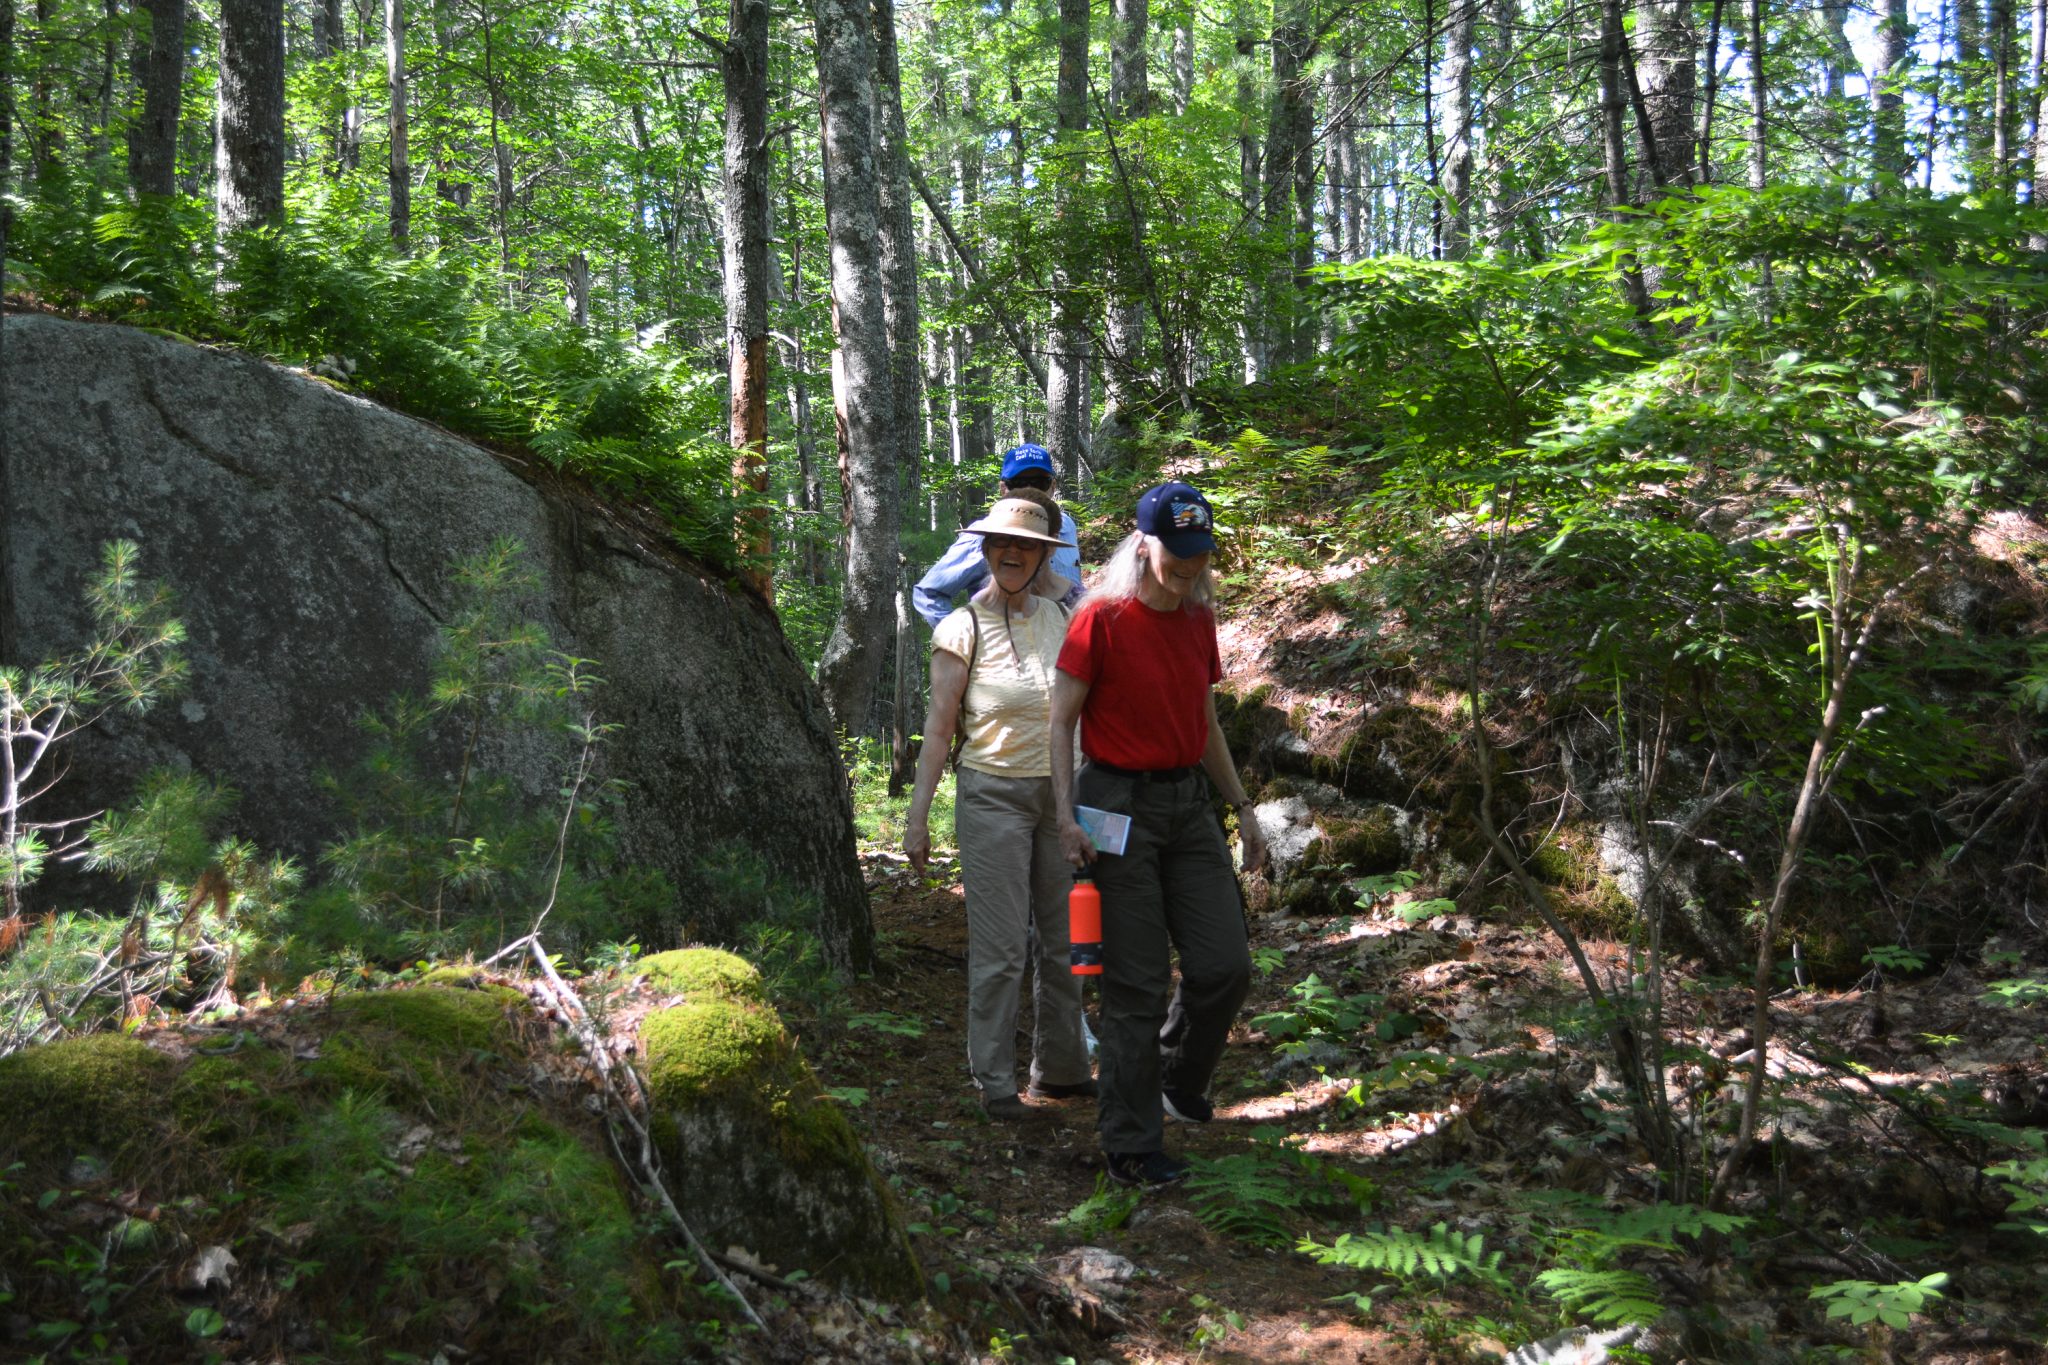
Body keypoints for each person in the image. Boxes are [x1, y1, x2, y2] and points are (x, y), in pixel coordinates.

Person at [1049, 480, 1269, 1186]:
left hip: (1187, 801)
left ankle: (1178, 1077)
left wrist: (1242, 806)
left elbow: (1202, 721)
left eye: (1198, 554)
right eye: (1176, 554)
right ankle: (1131, 1144)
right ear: (1143, 544)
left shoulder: (1197, 621)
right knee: (1136, 982)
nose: (1188, 568)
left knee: (1225, 962)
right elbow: (1060, 722)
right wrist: (1064, 815)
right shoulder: (1101, 619)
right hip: (1115, 803)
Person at [905, 489, 1096, 1119]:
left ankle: (1063, 1071)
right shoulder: (960, 628)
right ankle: (993, 1080)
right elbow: (938, 731)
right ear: (986, 550)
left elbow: (1077, 716)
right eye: (1004, 544)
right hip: (992, 798)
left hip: (1058, 797)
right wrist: (918, 818)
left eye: (1028, 546)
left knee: (1065, 942)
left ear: (1044, 556)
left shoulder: (1060, 622)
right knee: (1003, 947)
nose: (1014, 554)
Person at [914, 444, 1084, 629]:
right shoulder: (983, 535)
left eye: (1038, 483)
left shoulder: (1066, 527)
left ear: (1052, 486)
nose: (1029, 491)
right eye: (1018, 483)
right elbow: (929, 592)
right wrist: (965, 642)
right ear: (1003, 488)